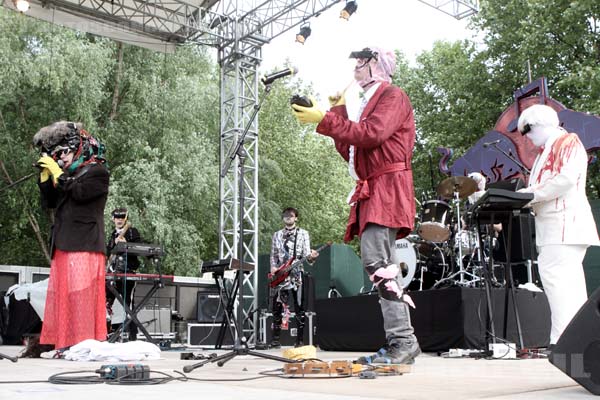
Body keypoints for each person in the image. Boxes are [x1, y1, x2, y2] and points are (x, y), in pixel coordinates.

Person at [292, 46, 421, 364]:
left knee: (377, 262)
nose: (356, 68)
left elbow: (371, 135)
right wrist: (335, 114)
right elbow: (351, 150)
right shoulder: (366, 104)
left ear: (378, 66)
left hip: (387, 187)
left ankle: (403, 340)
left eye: (363, 62)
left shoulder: (393, 96)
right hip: (375, 187)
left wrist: (327, 118)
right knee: (381, 263)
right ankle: (401, 341)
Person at [517, 104, 599, 346]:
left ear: (541, 123)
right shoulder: (551, 149)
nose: (528, 138)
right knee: (566, 284)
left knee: (560, 283)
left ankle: (563, 341)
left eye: (528, 130)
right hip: (557, 227)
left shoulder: (567, 142)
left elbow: (564, 179)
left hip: (564, 226)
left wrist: (530, 195)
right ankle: (575, 341)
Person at [32, 121, 109, 351]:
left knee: (80, 298)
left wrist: (58, 174)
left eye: (63, 152)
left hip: (84, 244)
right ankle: (64, 343)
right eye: (57, 154)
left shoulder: (97, 172)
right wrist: (47, 178)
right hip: (64, 243)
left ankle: (82, 344)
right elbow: (50, 202)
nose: (61, 158)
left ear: (78, 148)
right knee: (64, 297)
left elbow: (80, 193)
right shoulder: (68, 174)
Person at [269, 207, 318, 348]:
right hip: (280, 274)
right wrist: (273, 268)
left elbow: (308, 256)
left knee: (299, 307)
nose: (288, 217)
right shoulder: (277, 235)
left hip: (296, 274)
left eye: (291, 215)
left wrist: (312, 257)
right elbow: (273, 255)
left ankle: (300, 341)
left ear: (296, 217)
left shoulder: (303, 234)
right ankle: (276, 340)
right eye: (285, 215)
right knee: (276, 307)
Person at [105, 207, 142, 341]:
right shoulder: (113, 234)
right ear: (113, 219)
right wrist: (112, 245)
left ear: (125, 219)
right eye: (117, 217)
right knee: (105, 302)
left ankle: (132, 337)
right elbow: (108, 253)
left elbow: (140, 249)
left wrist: (127, 245)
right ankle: (105, 334)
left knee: (128, 306)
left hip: (127, 273)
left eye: (122, 218)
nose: (119, 220)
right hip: (113, 274)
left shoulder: (132, 232)